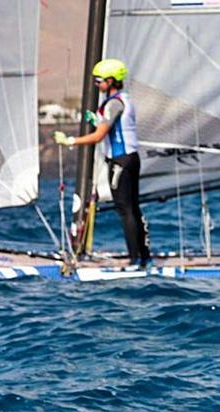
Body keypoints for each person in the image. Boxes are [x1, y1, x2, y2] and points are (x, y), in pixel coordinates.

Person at [55, 58, 151, 269]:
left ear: (111, 80)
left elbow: (99, 136)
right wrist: (95, 119)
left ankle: (135, 260)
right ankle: (143, 257)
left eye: (99, 80)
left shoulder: (114, 103)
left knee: (126, 210)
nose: (96, 84)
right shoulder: (121, 100)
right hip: (129, 159)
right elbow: (111, 127)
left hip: (121, 162)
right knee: (132, 209)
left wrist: (71, 141)